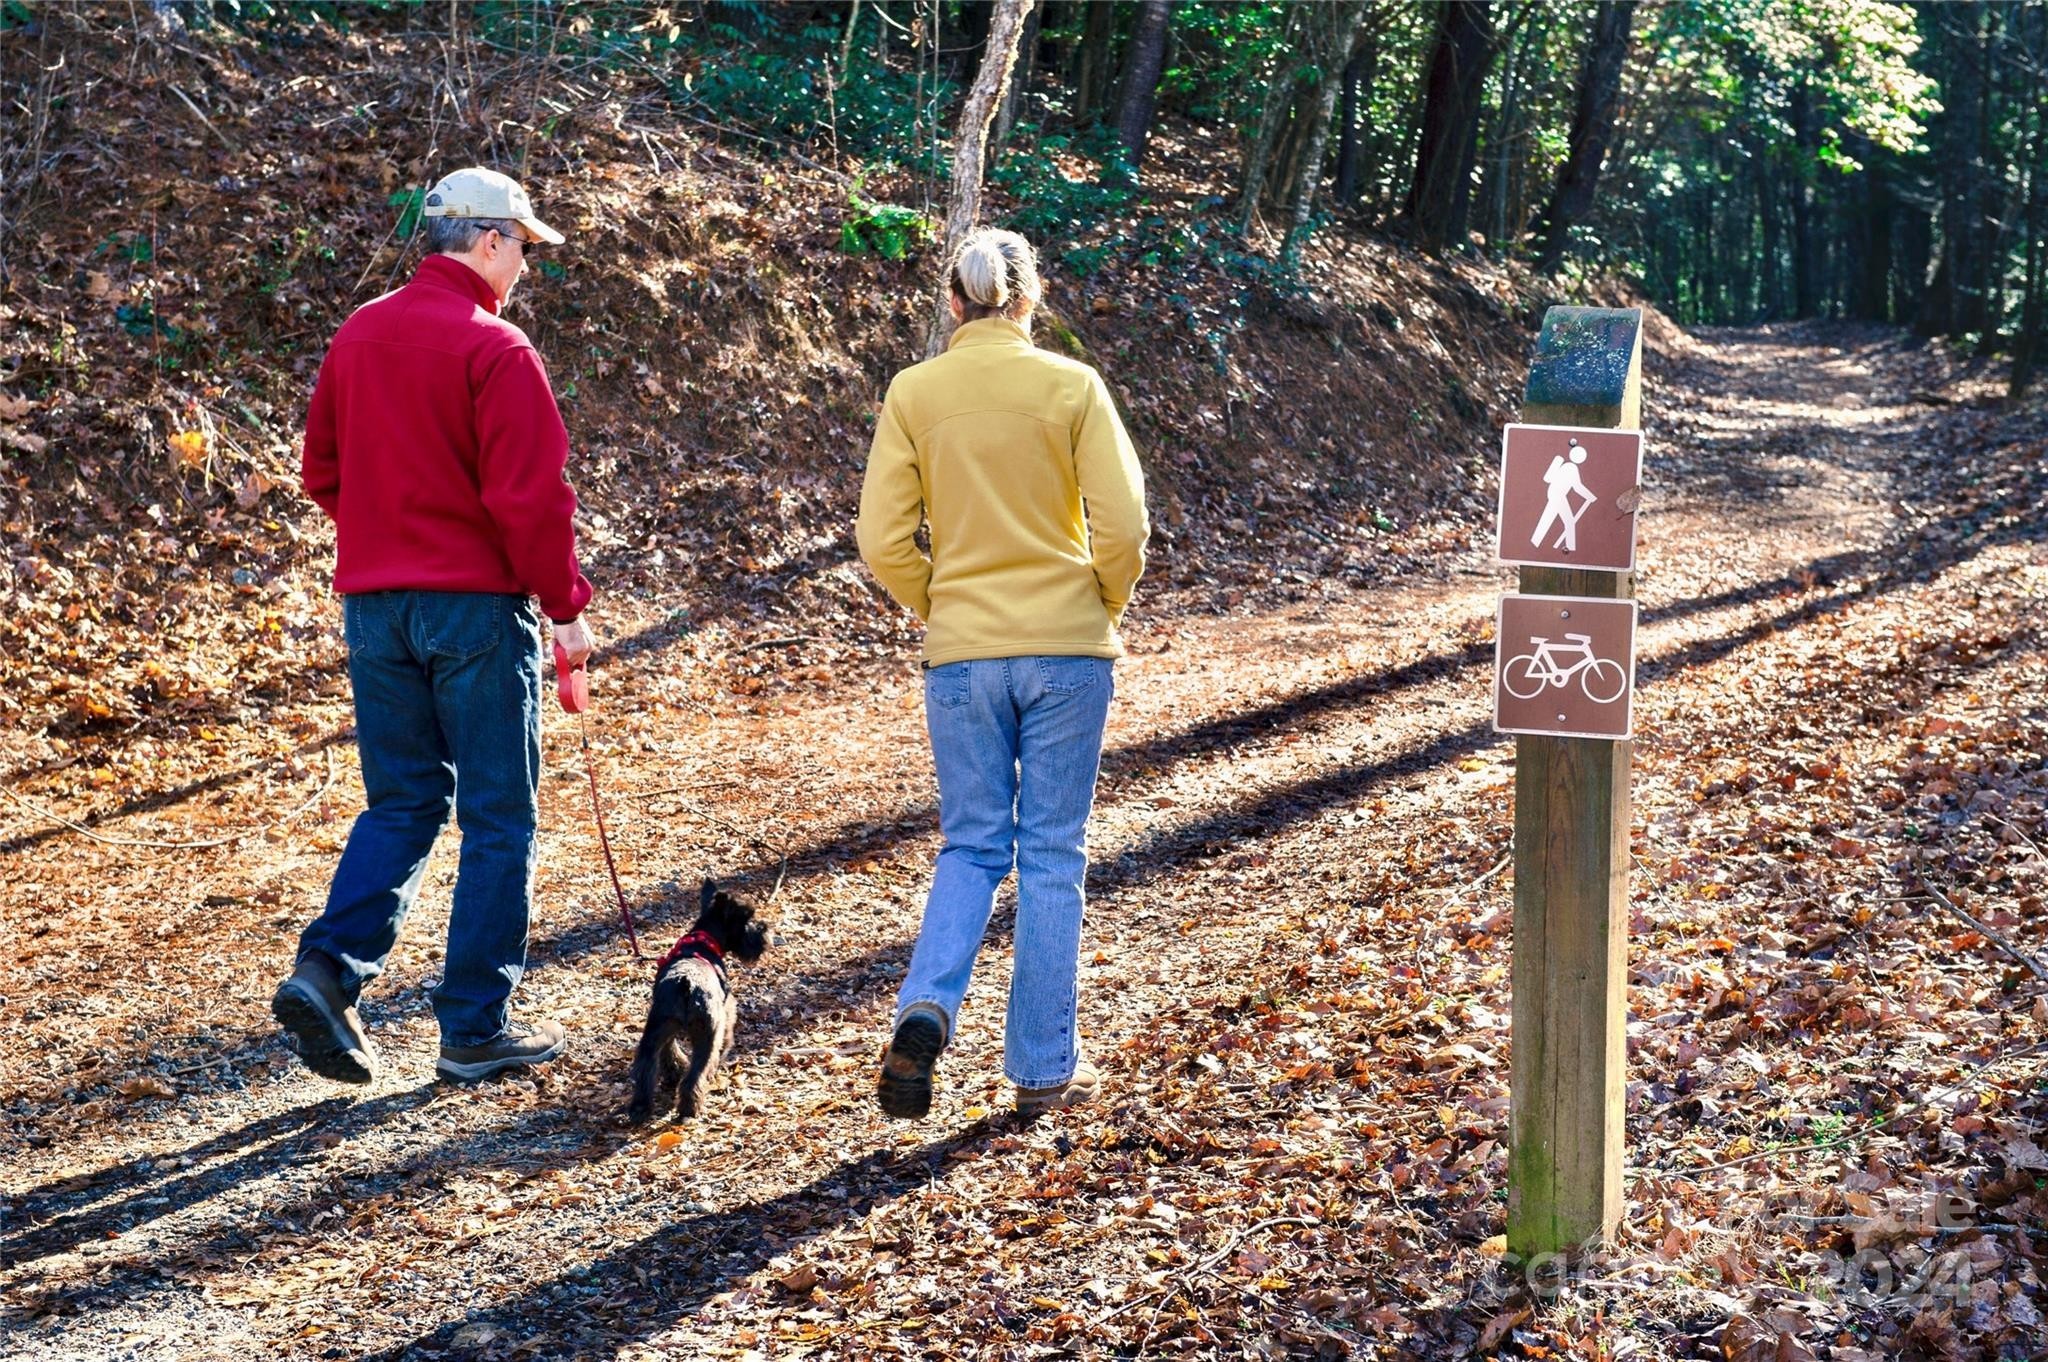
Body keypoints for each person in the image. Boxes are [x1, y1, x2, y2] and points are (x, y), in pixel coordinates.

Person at [272, 166, 594, 1085]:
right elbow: (530, 502)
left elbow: (322, 473)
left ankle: (328, 970)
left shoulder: (360, 333)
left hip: (374, 608)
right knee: (499, 813)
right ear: (488, 240)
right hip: (474, 611)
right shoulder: (496, 349)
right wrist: (566, 608)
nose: (526, 264)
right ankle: (474, 1028)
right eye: (524, 246)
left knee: (404, 802)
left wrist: (387, 539)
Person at [856, 227, 1150, 1120]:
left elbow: (879, 538)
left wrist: (940, 604)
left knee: (973, 844)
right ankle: (1041, 1070)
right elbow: (1125, 525)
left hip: (962, 655)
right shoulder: (1072, 386)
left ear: (954, 302)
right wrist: (1100, 600)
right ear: (1030, 300)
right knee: (1051, 853)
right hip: (1066, 649)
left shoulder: (914, 392)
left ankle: (927, 1006)